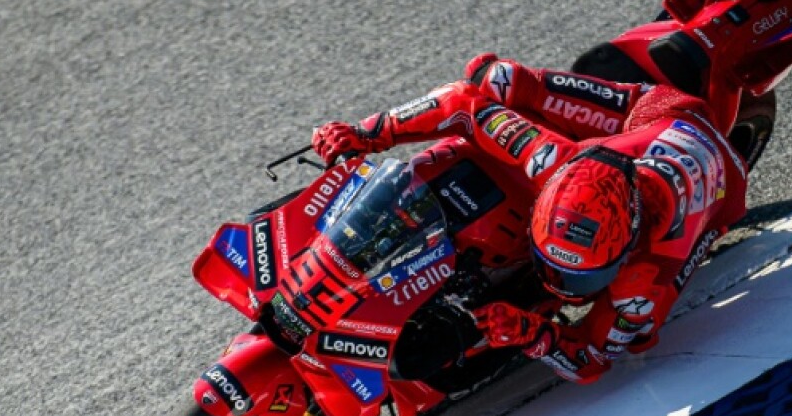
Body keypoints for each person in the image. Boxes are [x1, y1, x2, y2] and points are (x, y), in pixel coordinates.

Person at [311, 53, 749, 383]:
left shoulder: (644, 282)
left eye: (576, 279)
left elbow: (593, 360)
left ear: (628, 247)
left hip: (705, 158)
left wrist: (533, 334)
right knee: (496, 78)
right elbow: (461, 102)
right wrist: (370, 133)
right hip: (648, 130)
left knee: (647, 312)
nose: (554, 284)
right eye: (548, 262)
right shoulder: (555, 159)